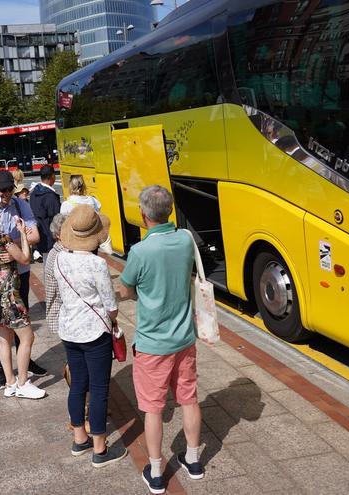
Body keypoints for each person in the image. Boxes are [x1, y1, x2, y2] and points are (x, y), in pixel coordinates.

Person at [118, 185, 204, 493]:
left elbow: (126, 289)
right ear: (168, 210)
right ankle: (193, 461)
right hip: (184, 338)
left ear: (143, 215)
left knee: (153, 408)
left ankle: (156, 472)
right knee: (189, 398)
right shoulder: (185, 239)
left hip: (153, 343)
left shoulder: (140, 251)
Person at [53, 205, 127, 466]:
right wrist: (115, 320)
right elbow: (111, 304)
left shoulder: (60, 258)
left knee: (78, 386)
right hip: (95, 332)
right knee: (98, 389)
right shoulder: (97, 264)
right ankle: (100, 449)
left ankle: (79, 439)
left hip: (69, 330)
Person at [0, 170, 46, 389]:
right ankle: (1, 369)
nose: (7, 194)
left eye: (10, 190)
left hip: (19, 274)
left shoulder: (19, 205)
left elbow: (36, 235)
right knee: (3, 325)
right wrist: (11, 244)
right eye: (3, 190)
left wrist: (10, 243)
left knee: (15, 322)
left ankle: (20, 366)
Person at [42, 213, 67, 336]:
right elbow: (52, 293)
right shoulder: (58, 256)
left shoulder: (59, 252)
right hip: (65, 315)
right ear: (58, 235)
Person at [30, 165, 61, 258]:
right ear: (52, 176)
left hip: (40, 236)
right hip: (51, 239)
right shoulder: (50, 196)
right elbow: (56, 220)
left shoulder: (34, 193)